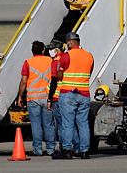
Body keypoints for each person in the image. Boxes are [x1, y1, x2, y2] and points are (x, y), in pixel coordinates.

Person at [52, 32, 94, 160]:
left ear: (69, 42)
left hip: (68, 94)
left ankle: (67, 150)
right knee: (83, 123)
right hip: (84, 93)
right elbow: (89, 72)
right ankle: (84, 151)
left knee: (67, 123)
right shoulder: (89, 56)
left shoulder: (66, 56)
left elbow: (59, 75)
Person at [17, 41, 55, 156]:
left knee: (36, 124)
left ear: (32, 51)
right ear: (43, 50)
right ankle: (51, 149)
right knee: (48, 124)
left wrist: (20, 96)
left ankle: (37, 150)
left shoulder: (28, 62)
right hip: (47, 97)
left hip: (33, 98)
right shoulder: (51, 61)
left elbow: (24, 82)